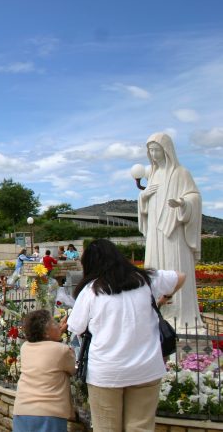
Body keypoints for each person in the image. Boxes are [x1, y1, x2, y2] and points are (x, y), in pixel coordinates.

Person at [67, 239, 186, 431]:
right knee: (141, 427)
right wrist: (163, 298)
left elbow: (76, 327)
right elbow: (180, 277)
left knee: (106, 427)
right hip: (146, 368)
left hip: (106, 371)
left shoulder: (91, 291)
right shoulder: (146, 280)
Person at [138, 132, 202, 327]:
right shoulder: (153, 174)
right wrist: (144, 196)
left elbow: (195, 197)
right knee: (155, 270)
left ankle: (183, 319)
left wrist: (183, 203)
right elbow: (146, 206)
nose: (154, 154)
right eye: (150, 150)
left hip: (174, 231)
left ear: (166, 150)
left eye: (157, 149)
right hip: (156, 234)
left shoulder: (181, 173)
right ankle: (158, 315)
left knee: (175, 267)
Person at [13, 310, 75, 432]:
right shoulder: (62, 350)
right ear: (46, 333)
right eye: (55, 323)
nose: (59, 325)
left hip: (22, 410)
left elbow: (47, 350)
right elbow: (72, 369)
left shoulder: (25, 348)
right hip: (50, 414)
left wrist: (56, 334)